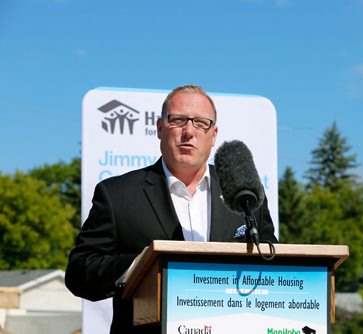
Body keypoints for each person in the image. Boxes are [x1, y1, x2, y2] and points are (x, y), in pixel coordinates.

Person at [65, 85, 277, 333]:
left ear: (214, 134)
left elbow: (273, 266)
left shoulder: (244, 195)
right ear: (159, 128)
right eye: (178, 120)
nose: (189, 131)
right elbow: (80, 273)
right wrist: (139, 266)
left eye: (200, 123)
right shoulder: (117, 194)